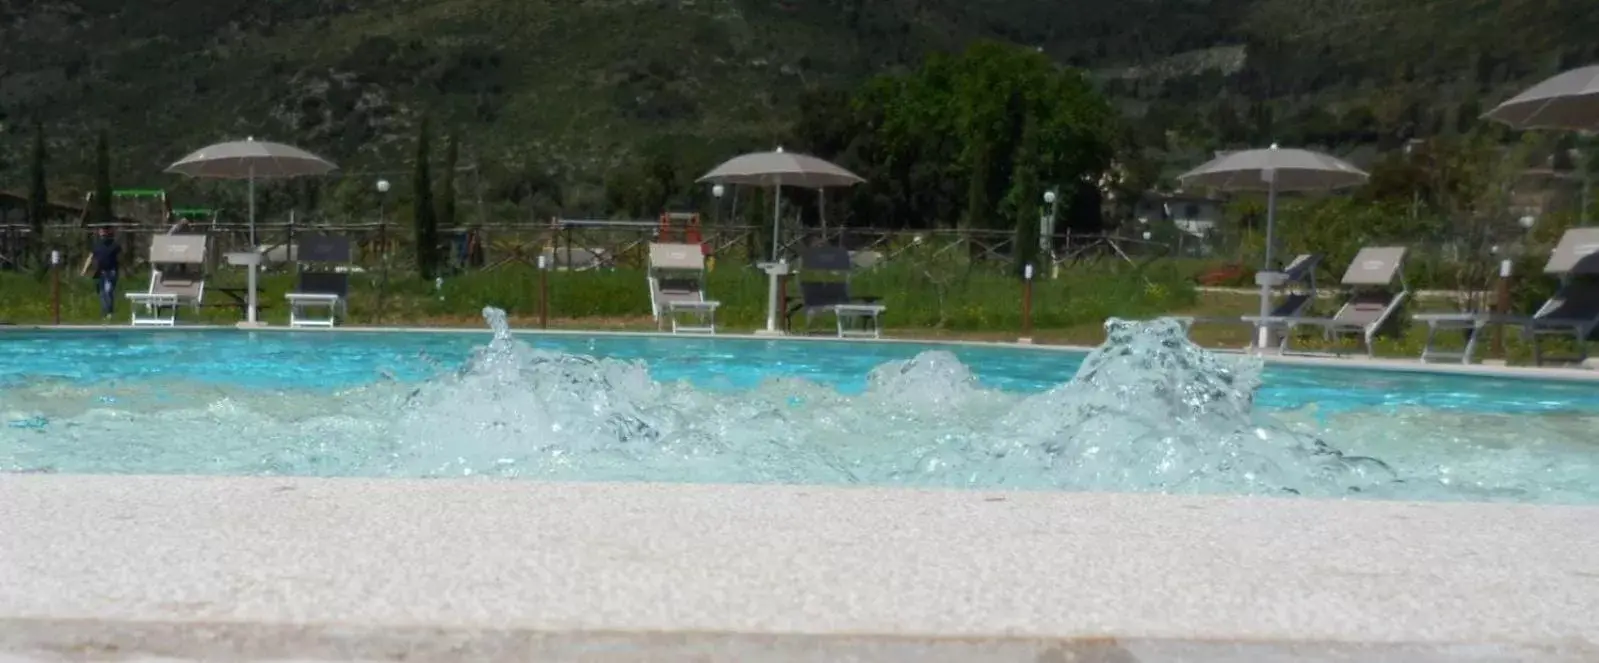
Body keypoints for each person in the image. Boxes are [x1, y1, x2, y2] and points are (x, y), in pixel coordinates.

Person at [88, 228, 121, 320]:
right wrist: (85, 269)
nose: (103, 236)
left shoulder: (114, 245)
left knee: (108, 291)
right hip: (101, 272)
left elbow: (120, 257)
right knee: (102, 293)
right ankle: (105, 312)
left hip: (111, 271)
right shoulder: (97, 246)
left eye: (104, 235)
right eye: (101, 235)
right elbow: (91, 257)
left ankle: (110, 312)